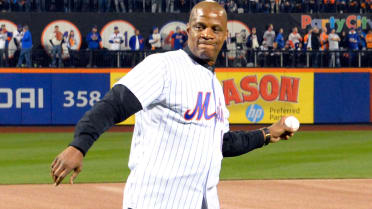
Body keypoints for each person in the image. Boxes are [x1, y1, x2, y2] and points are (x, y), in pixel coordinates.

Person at [50, 2, 297, 209]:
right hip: (155, 201)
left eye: (215, 29)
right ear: (188, 30)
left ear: (224, 36)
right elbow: (114, 103)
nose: (207, 34)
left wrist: (266, 134)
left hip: (202, 202)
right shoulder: (163, 67)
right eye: (200, 26)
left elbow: (221, 144)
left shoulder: (215, 87)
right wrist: (78, 146)